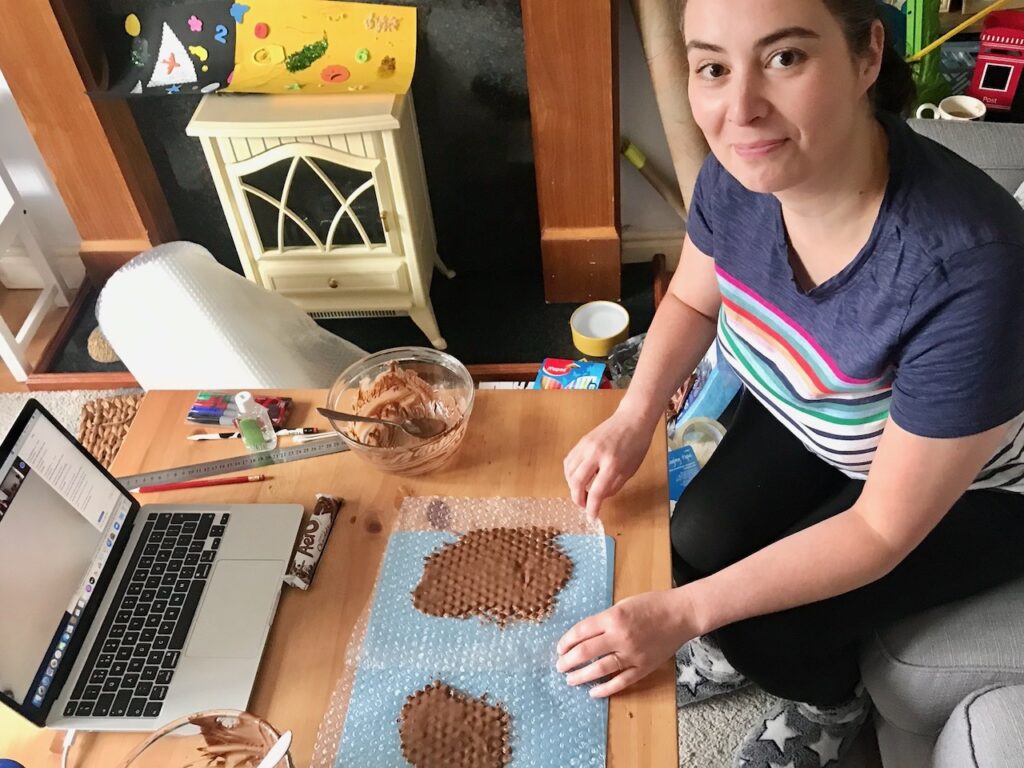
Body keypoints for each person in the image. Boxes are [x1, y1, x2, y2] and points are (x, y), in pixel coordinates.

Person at [556, 0, 1024, 765]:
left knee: (756, 626)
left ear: (868, 57)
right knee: (694, 539)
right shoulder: (736, 173)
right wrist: (634, 413)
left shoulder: (966, 267)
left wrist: (683, 617)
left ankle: (832, 707)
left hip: (976, 489)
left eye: (785, 58)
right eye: (712, 67)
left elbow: (880, 529)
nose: (739, 109)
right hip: (824, 413)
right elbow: (691, 298)